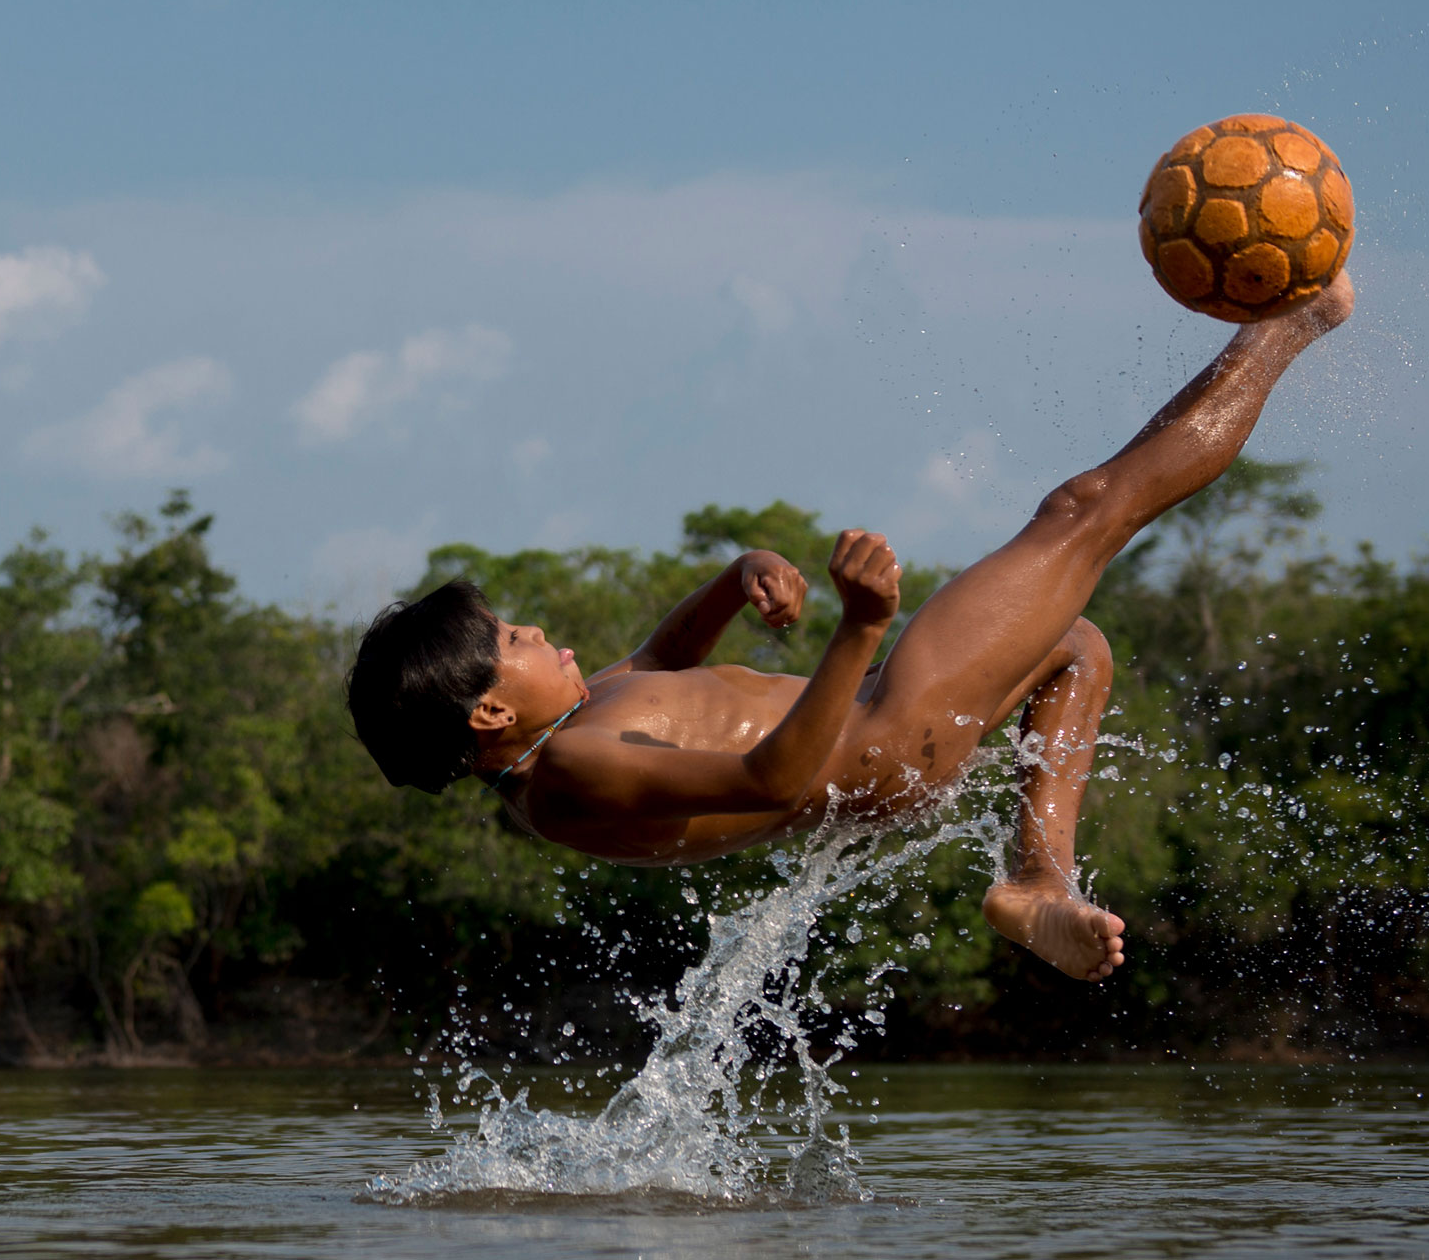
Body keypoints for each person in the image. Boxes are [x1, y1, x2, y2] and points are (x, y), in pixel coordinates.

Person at [348, 273, 1352, 982]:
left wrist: (734, 577)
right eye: (514, 641)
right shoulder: (568, 775)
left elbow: (660, 660)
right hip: (881, 731)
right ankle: (1295, 321)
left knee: (1074, 644)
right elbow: (771, 780)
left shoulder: (571, 729)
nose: (538, 635)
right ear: (486, 710)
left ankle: (1035, 881)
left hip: (887, 742)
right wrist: (859, 627)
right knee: (1085, 512)